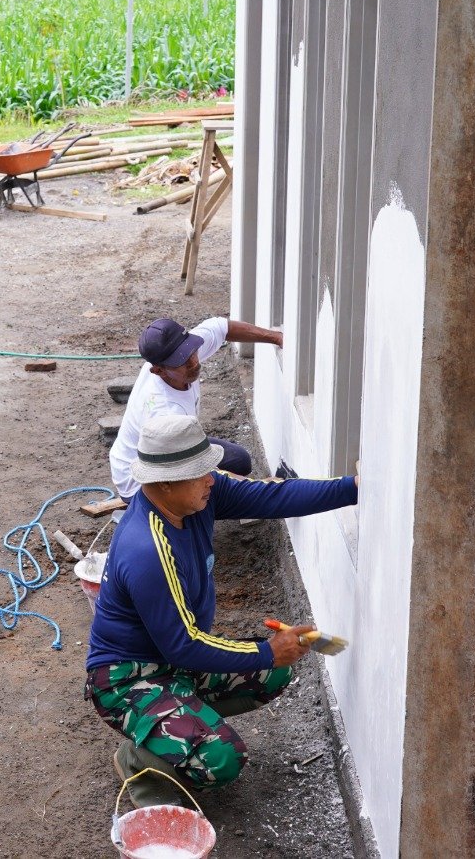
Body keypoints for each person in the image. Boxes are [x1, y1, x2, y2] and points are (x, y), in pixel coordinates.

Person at [85, 413, 358, 809]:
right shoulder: (147, 550)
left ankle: (177, 720)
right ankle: (139, 761)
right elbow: (184, 645)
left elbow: (274, 497)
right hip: (127, 680)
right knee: (224, 759)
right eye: (200, 473)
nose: (212, 478)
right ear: (164, 481)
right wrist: (266, 649)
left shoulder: (198, 498)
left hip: (173, 663)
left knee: (274, 673)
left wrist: (355, 488)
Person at [108, 316, 284, 501]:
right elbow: (190, 470)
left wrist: (277, 337)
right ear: (158, 371)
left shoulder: (179, 355)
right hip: (141, 480)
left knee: (238, 460)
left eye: (191, 352)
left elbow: (220, 327)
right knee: (203, 492)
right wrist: (261, 489)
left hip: (169, 450)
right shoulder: (166, 411)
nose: (194, 362)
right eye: (181, 361)